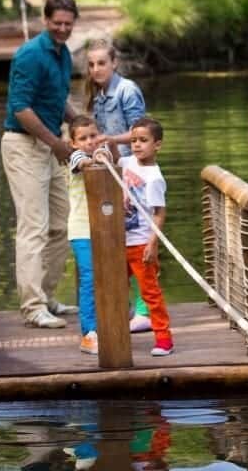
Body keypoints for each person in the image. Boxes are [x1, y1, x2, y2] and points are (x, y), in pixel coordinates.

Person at [2, 0, 81, 328]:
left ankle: (47, 297)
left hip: (51, 145)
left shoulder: (63, 55)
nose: (62, 28)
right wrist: (57, 143)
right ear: (45, 21)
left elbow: (58, 99)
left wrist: (81, 126)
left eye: (68, 23)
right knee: (33, 227)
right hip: (24, 145)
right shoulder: (30, 55)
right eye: (56, 23)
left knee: (62, 224)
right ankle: (32, 307)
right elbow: (21, 109)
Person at [84, 39, 152, 333]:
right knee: (116, 245)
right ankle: (123, 306)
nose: (96, 69)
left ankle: (145, 310)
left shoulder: (126, 90)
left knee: (138, 243)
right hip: (111, 175)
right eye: (91, 64)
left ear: (114, 64)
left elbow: (141, 134)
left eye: (102, 63)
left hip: (133, 176)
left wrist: (112, 141)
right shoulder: (97, 95)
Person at [119, 117, 174, 356]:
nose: (137, 145)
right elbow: (111, 158)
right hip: (119, 241)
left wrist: (152, 243)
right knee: (114, 289)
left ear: (157, 145)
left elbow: (160, 213)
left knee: (150, 292)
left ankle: (164, 339)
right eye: (133, 140)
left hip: (141, 243)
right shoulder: (128, 162)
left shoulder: (154, 178)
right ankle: (113, 332)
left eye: (143, 140)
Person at [67, 114, 117, 355]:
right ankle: (89, 333)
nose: (89, 141)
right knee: (89, 278)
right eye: (83, 138)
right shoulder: (75, 158)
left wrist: (103, 152)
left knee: (111, 276)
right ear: (73, 143)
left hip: (106, 228)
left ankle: (111, 323)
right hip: (81, 230)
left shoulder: (103, 153)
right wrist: (93, 157)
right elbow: (83, 163)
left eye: (93, 136)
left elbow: (106, 156)